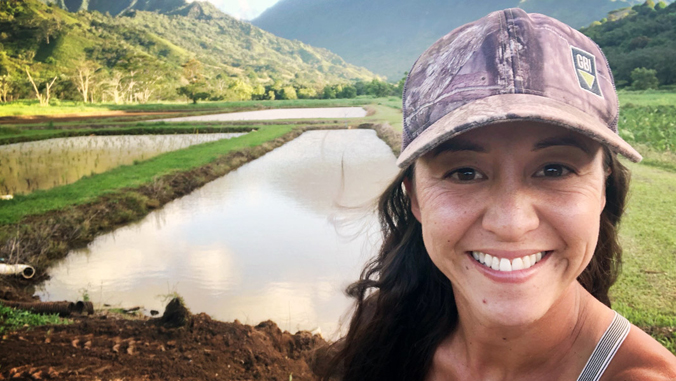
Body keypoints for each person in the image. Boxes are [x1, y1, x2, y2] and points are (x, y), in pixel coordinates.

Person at [320, 8, 676, 381]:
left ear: (604, 188)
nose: (511, 223)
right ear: (416, 198)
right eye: (465, 172)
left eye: (554, 169)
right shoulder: (384, 330)